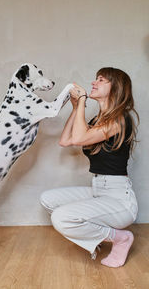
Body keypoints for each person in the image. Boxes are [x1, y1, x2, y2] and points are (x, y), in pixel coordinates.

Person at [40, 67, 139, 267]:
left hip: (119, 199)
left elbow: (78, 137)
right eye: (95, 79)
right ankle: (98, 237)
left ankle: (121, 238)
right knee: (47, 200)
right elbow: (66, 140)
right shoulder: (97, 121)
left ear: (116, 87)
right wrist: (76, 109)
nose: (94, 83)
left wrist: (83, 100)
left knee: (61, 218)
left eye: (101, 80)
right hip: (98, 190)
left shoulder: (121, 119)